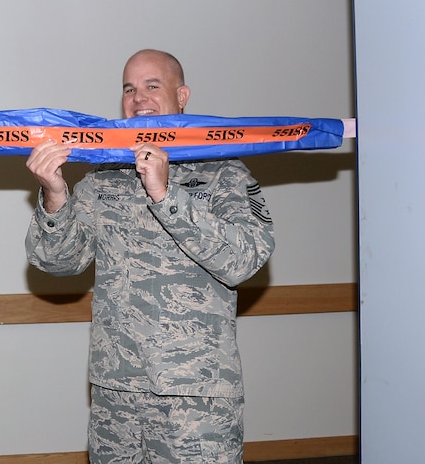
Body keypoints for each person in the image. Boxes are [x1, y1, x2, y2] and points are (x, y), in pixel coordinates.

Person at [24, 49, 275, 464]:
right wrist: (55, 194)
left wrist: (166, 194)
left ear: (182, 96)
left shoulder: (224, 173)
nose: (138, 98)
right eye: (129, 89)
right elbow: (57, 262)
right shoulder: (104, 179)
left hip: (195, 397)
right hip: (115, 392)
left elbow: (243, 260)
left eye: (152, 86)